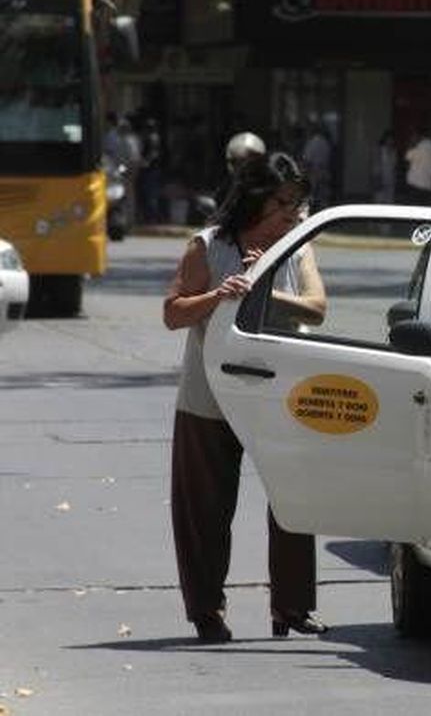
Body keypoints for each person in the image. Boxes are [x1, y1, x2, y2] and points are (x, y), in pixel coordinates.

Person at [163, 152, 328, 643]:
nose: (291, 215)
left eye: (298, 205)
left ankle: (292, 608)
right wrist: (219, 295)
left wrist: (262, 290)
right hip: (210, 396)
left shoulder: (298, 248)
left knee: (292, 502)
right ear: (254, 199)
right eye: (282, 204)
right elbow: (173, 313)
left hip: (281, 394)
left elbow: (316, 309)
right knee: (204, 509)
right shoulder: (208, 246)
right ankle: (206, 611)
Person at [403, 124, 431, 205]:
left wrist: (411, 143)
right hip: (427, 184)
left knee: (414, 207)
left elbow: (407, 157)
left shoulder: (420, 146)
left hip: (416, 183)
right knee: (423, 207)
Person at [301, 121, 332, 210]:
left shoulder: (312, 143)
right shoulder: (325, 143)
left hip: (313, 173)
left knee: (311, 197)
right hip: (324, 172)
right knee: (323, 199)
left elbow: (307, 160)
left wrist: (304, 173)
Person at [371, 129, 396, 203]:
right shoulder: (379, 149)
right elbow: (375, 163)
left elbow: (394, 165)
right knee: (379, 198)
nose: (390, 141)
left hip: (390, 178)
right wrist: (376, 176)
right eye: (389, 139)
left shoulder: (394, 151)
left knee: (389, 199)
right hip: (380, 176)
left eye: (392, 139)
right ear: (385, 139)